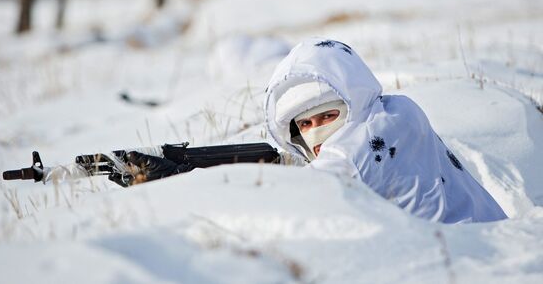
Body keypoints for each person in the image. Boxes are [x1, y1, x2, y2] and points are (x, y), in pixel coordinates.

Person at [125, 37, 507, 224]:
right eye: (303, 125)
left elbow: (289, 205)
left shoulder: (352, 152)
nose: (316, 134)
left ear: (350, 103)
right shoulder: (400, 111)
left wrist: (183, 182)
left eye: (327, 117)